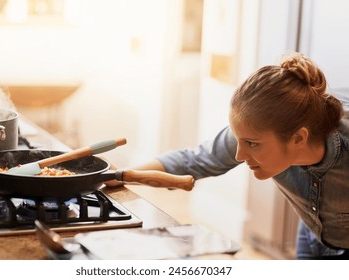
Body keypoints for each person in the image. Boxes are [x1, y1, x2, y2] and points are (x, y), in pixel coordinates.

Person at [107, 52, 349, 259]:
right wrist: (119, 176)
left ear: (298, 138)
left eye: (252, 144)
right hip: (315, 233)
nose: (239, 154)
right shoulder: (260, 128)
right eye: (239, 140)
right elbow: (193, 161)